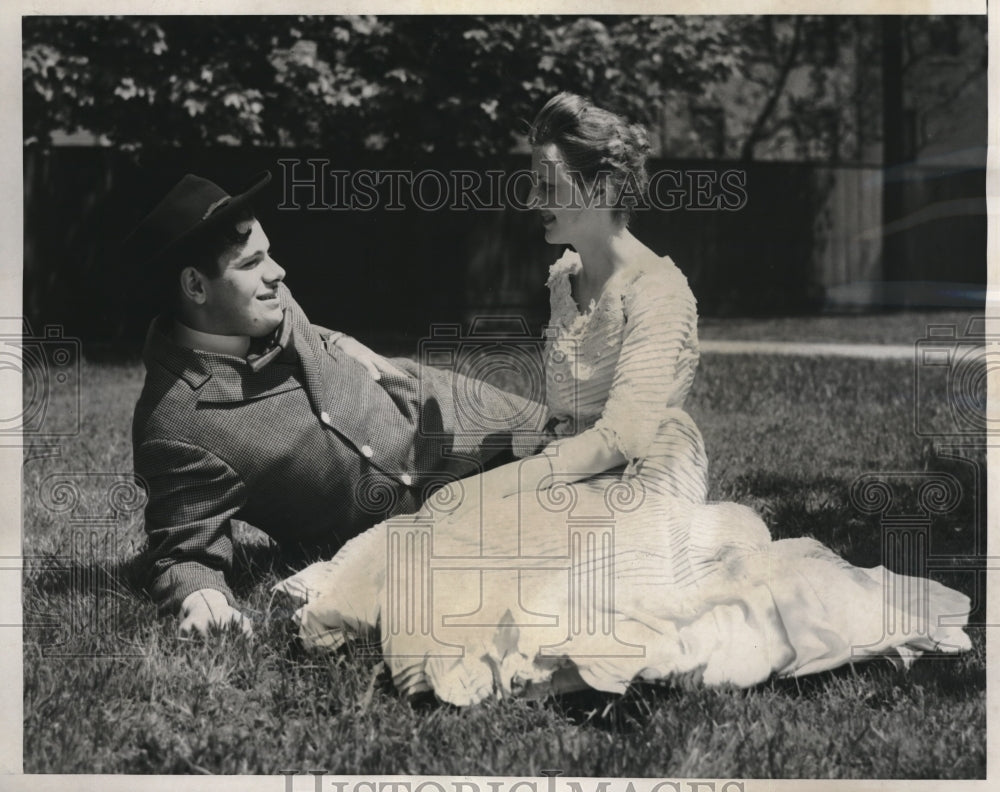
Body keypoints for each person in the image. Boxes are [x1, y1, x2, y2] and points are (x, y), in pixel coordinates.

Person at [277, 93, 971, 705]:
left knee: (576, 581)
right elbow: (564, 413)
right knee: (455, 528)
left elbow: (623, 435)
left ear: (601, 186)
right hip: (574, 460)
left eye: (547, 182)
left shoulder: (660, 290)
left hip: (646, 468)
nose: (533, 198)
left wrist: (512, 483)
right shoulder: (566, 277)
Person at [128, 171, 549, 638]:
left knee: (613, 456)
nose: (277, 273)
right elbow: (182, 551)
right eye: (251, 264)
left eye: (269, 255)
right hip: (430, 528)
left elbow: (299, 322)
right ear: (195, 286)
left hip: (456, 413)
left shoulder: (260, 302)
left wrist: (341, 340)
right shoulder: (177, 426)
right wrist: (202, 601)